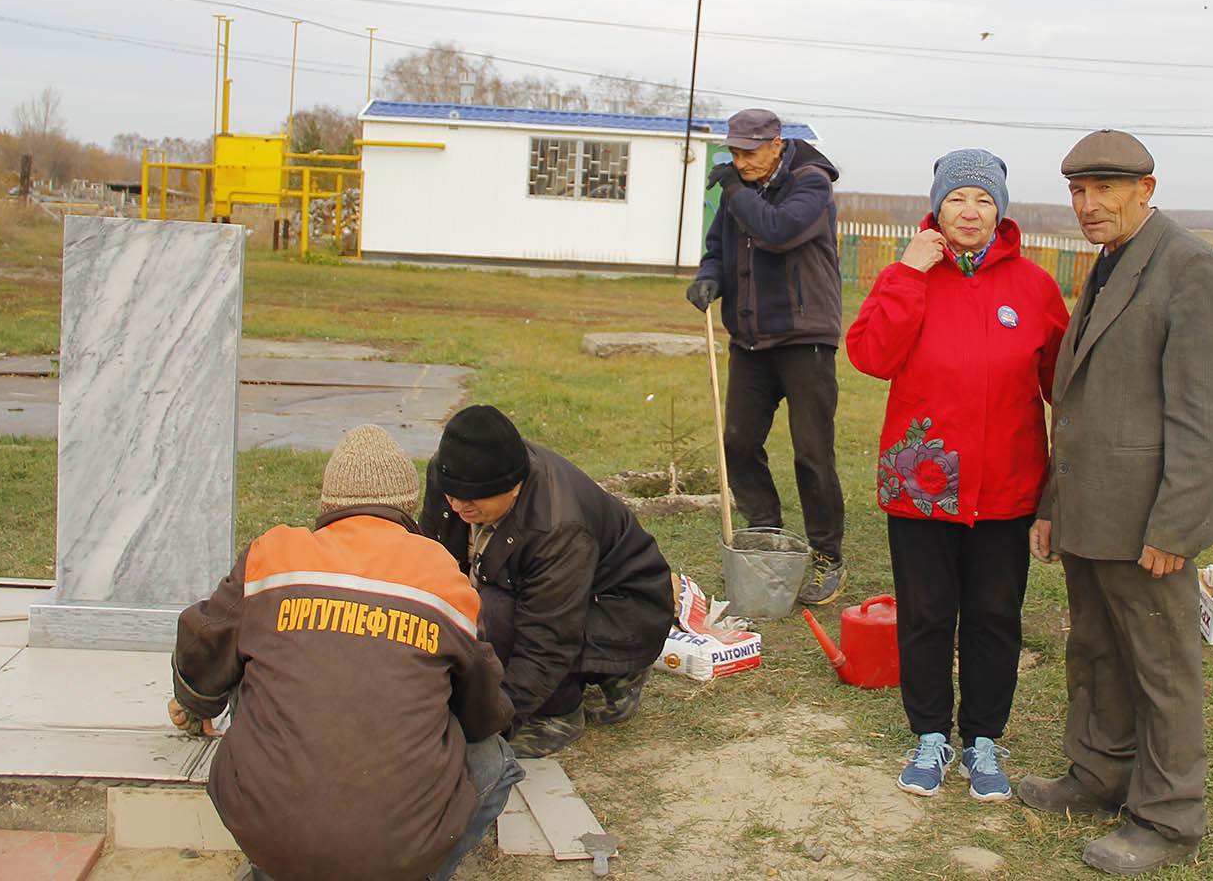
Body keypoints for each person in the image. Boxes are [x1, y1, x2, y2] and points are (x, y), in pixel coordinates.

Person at [1020, 130, 1213, 875]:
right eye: (1078, 191)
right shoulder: (1110, 266)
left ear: (1147, 189)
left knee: (1163, 667)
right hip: (1091, 509)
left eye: (1105, 189)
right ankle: (1099, 774)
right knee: (1095, 650)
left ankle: (1169, 819)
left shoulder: (1189, 267)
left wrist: (1176, 524)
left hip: (1149, 521)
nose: (1089, 205)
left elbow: (1204, 416)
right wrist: (1053, 502)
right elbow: (1079, 402)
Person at [169, 424, 520, 881]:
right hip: (400, 853)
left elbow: (203, 643)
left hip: (268, 832)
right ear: (408, 507)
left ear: (327, 504)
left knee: (248, 663)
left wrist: (197, 703)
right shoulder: (442, 576)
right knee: (495, 761)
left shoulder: (272, 555)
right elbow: (480, 712)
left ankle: (279, 867)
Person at [846, 149, 1069, 802]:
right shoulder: (908, 275)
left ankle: (982, 742)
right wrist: (908, 275)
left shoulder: (1033, 288)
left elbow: (1064, 387)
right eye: (957, 200)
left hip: (1006, 485)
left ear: (1000, 210)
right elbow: (870, 356)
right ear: (936, 208)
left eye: (982, 200)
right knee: (925, 615)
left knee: (996, 616)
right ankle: (929, 738)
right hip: (924, 482)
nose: (969, 212)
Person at [418, 405, 674, 757]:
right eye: (451, 493)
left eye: (473, 497)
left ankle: (561, 712)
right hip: (546, 594)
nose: (459, 505)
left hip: (624, 610)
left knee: (493, 611)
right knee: (480, 607)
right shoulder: (449, 473)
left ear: (514, 485)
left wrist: (487, 720)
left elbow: (549, 641)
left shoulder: (557, 526)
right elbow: (431, 565)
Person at [686, 107, 849, 605]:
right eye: (734, 152)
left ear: (777, 143)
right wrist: (708, 274)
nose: (741, 161)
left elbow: (779, 230)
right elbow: (719, 243)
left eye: (749, 152)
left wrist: (734, 192)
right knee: (736, 440)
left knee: (811, 452)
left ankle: (827, 556)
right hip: (750, 339)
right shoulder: (739, 187)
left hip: (805, 336)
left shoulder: (811, 182)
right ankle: (765, 529)